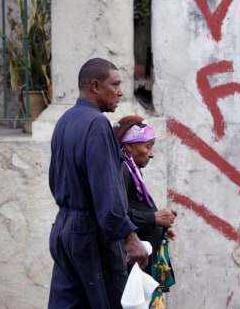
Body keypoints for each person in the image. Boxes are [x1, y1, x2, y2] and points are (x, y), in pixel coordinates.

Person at [48, 58, 149, 309]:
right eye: (114, 84)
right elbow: (106, 192)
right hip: (90, 234)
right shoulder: (97, 124)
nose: (121, 92)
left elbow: (55, 180)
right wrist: (130, 237)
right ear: (95, 86)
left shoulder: (65, 120)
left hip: (63, 230)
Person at [113, 115, 177, 276]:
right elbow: (117, 213)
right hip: (134, 265)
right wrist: (153, 219)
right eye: (148, 147)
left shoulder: (132, 171)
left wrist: (158, 227)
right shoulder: (123, 171)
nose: (151, 154)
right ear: (129, 146)